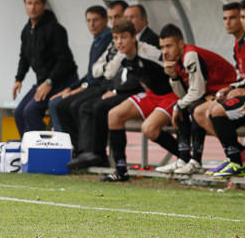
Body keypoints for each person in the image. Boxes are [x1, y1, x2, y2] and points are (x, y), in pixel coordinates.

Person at [74, 20, 173, 179]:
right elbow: (107, 74)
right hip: (152, 95)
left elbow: (168, 64)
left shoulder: (148, 52)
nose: (119, 42)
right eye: (116, 38)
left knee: (150, 128)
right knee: (114, 115)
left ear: (134, 38)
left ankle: (186, 159)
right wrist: (111, 59)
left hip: (171, 95)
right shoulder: (121, 55)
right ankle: (120, 169)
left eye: (124, 37)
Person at [157, 23, 236, 175]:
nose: (165, 52)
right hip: (210, 92)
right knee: (183, 105)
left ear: (180, 44)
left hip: (227, 90)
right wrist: (173, 76)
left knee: (192, 108)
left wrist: (178, 106)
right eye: (162, 47)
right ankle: (184, 158)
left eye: (168, 46)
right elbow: (184, 95)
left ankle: (197, 160)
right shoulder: (177, 60)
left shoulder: (190, 55)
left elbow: (197, 91)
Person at [12, 0, 78, 136]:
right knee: (18, 113)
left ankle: (42, 149)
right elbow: (24, 56)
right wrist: (19, 79)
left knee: (31, 111)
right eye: (29, 3)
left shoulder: (55, 29)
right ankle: (27, 149)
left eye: (37, 3)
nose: (33, 7)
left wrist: (50, 82)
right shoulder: (27, 30)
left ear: (44, 5)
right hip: (43, 82)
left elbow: (65, 61)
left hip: (62, 81)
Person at [200, 0, 245, 178]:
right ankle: (236, 154)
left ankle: (236, 160)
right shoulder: (238, 45)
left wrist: (243, 90)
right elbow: (244, 77)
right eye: (243, 17)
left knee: (217, 110)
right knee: (199, 112)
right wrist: (230, 88)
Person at [48, 5, 114, 142]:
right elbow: (90, 73)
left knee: (65, 104)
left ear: (105, 20)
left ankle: (72, 145)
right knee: (56, 102)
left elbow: (97, 78)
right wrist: (71, 88)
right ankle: (67, 144)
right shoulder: (97, 40)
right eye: (88, 21)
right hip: (90, 85)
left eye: (95, 20)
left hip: (100, 87)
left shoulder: (108, 39)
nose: (92, 24)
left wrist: (78, 89)